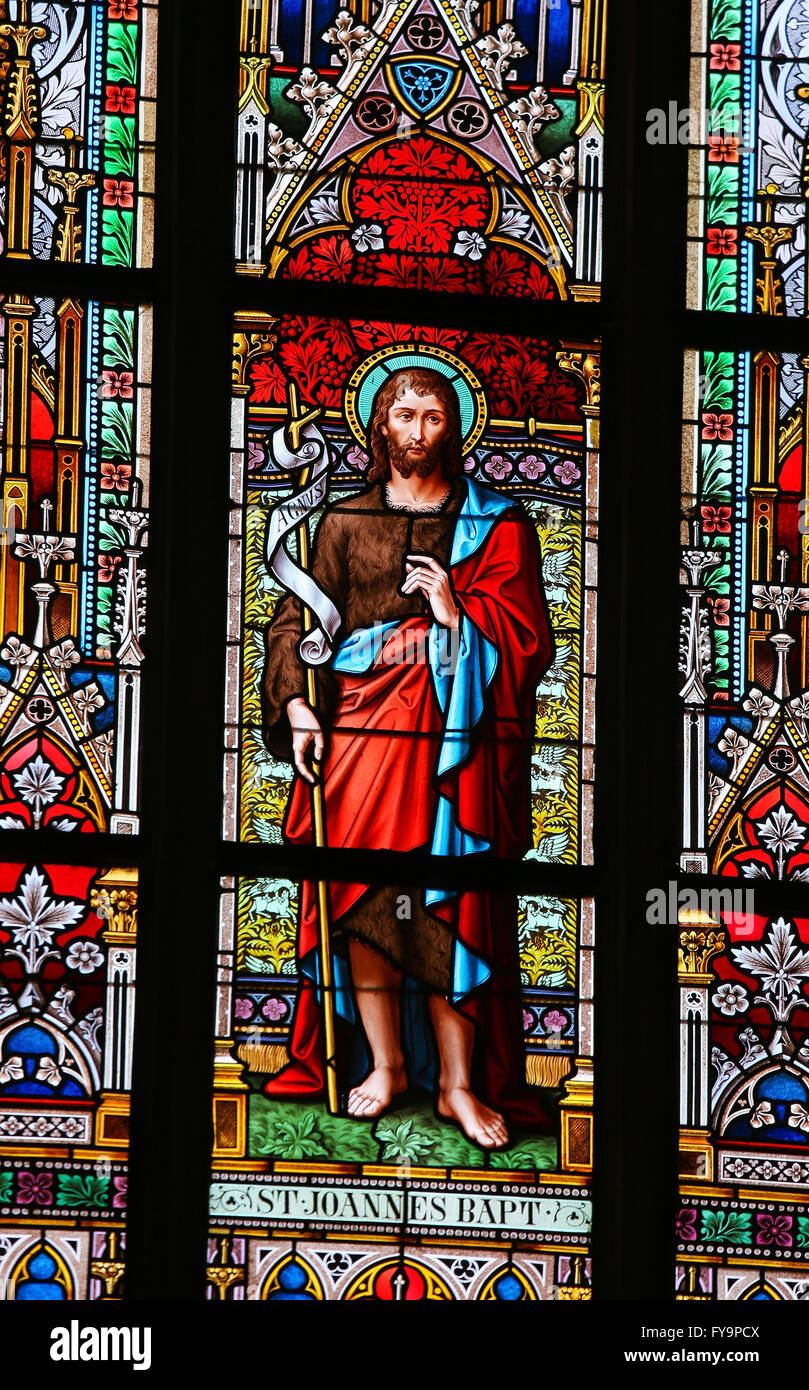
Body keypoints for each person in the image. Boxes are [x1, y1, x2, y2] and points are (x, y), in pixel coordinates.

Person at [262, 365, 554, 1147]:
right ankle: (385, 1064)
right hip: (360, 735)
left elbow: (527, 639)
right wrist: (294, 704)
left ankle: (458, 1085)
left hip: (453, 748)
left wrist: (454, 610)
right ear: (379, 428)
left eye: (432, 417)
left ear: (450, 429)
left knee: (445, 903)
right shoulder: (343, 523)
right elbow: (292, 624)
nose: (417, 431)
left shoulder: (497, 525)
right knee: (364, 901)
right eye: (404, 415)